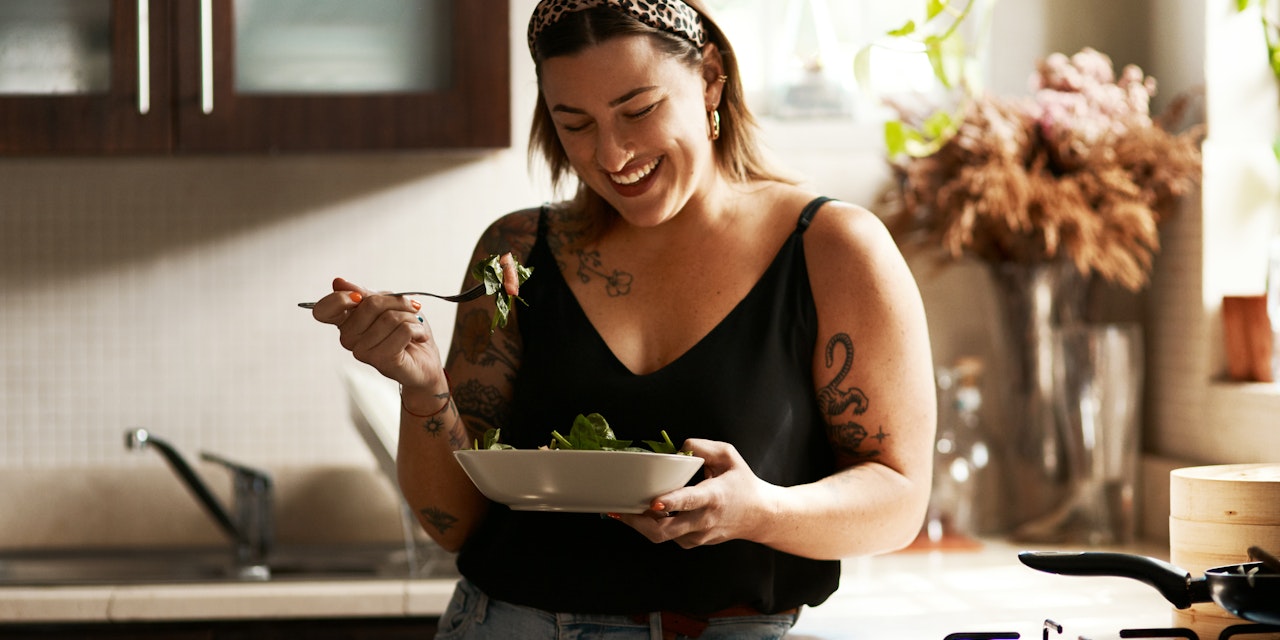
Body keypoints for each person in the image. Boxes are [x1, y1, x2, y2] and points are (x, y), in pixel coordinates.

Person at [310, 1, 936, 638]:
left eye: (639, 110)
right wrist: (423, 389)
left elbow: (899, 501)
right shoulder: (517, 252)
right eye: (574, 123)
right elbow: (452, 524)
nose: (611, 155)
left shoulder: (832, 249)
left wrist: (756, 512)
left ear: (711, 77)